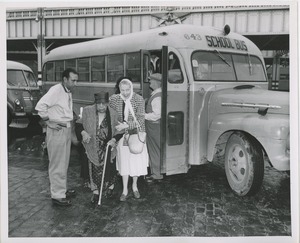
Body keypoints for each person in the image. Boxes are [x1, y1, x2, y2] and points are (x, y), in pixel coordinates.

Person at [35, 68, 78, 206]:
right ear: (65, 79)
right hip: (57, 130)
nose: (75, 83)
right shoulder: (56, 90)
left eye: (76, 80)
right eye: (73, 80)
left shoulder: (67, 91)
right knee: (57, 163)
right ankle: (57, 195)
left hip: (65, 129)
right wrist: (48, 122)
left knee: (64, 162)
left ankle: (62, 189)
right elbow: (40, 106)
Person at [76, 91, 121, 203]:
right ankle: (95, 192)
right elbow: (78, 124)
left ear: (107, 103)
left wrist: (114, 139)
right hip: (92, 146)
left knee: (109, 169)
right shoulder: (87, 111)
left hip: (108, 146)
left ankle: (110, 188)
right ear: (95, 103)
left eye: (104, 104)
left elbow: (120, 130)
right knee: (93, 170)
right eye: (99, 104)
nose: (101, 106)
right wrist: (83, 133)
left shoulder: (114, 113)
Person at [109, 78, 149, 201]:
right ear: (119, 89)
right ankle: (125, 189)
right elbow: (112, 115)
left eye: (128, 90)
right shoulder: (115, 99)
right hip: (122, 134)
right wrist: (118, 127)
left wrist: (126, 125)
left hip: (136, 134)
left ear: (131, 88)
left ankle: (135, 186)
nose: (125, 93)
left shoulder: (138, 99)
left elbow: (141, 119)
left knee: (136, 160)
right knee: (124, 162)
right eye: (123, 90)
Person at [145, 73, 163, 182]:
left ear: (156, 82)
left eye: (151, 80)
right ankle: (157, 172)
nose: (149, 82)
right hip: (155, 127)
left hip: (154, 127)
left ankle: (156, 174)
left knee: (154, 150)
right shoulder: (157, 94)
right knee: (156, 149)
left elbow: (157, 114)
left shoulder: (157, 96)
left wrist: (143, 115)